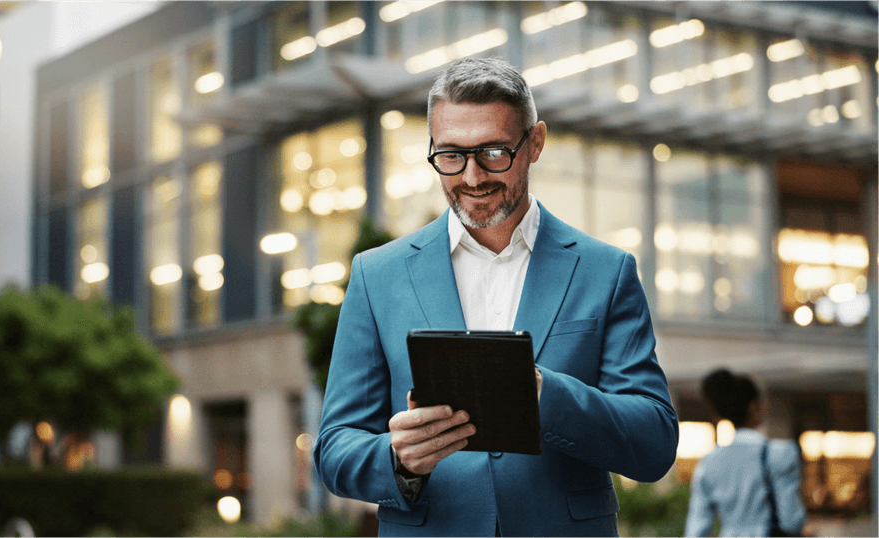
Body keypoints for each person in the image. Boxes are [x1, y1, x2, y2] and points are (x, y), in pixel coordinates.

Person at [313, 57, 678, 537]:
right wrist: (399, 460)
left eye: (493, 152)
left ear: (535, 144)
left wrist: (544, 395)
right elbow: (335, 448)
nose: (471, 176)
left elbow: (653, 441)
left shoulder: (605, 272)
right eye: (450, 155)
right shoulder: (376, 275)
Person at [685, 369, 806, 537]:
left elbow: (696, 530)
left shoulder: (708, 463)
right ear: (754, 406)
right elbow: (791, 522)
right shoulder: (779, 454)